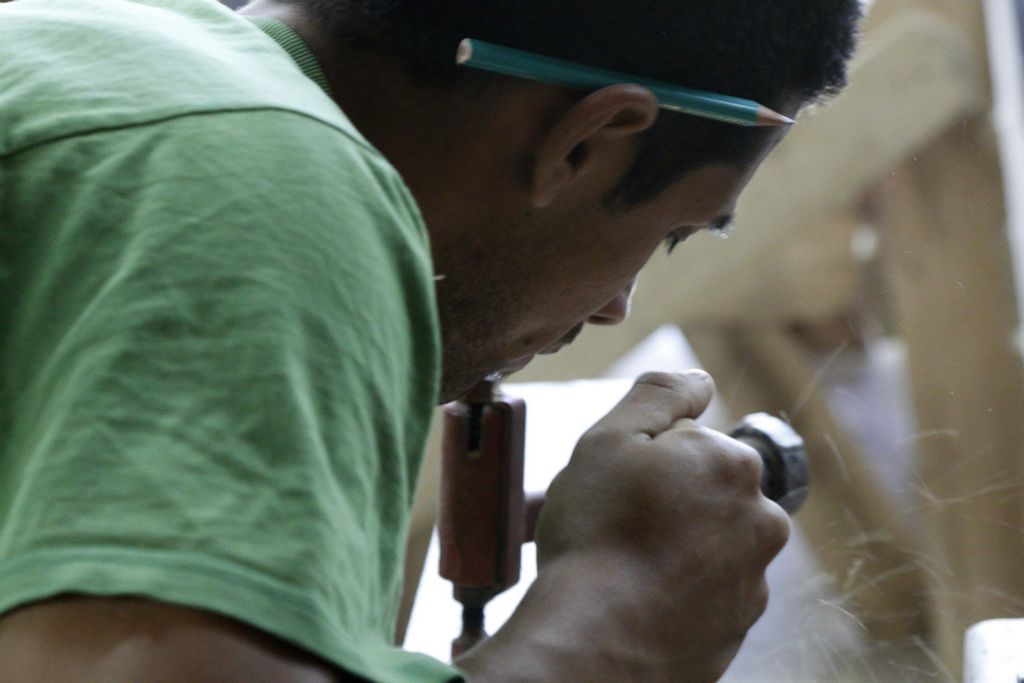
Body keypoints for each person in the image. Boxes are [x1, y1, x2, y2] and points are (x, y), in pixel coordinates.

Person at [0, 0, 861, 680]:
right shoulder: (269, 185)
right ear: (587, 143)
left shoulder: (103, 66)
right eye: (671, 232)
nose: (614, 308)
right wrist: (623, 612)